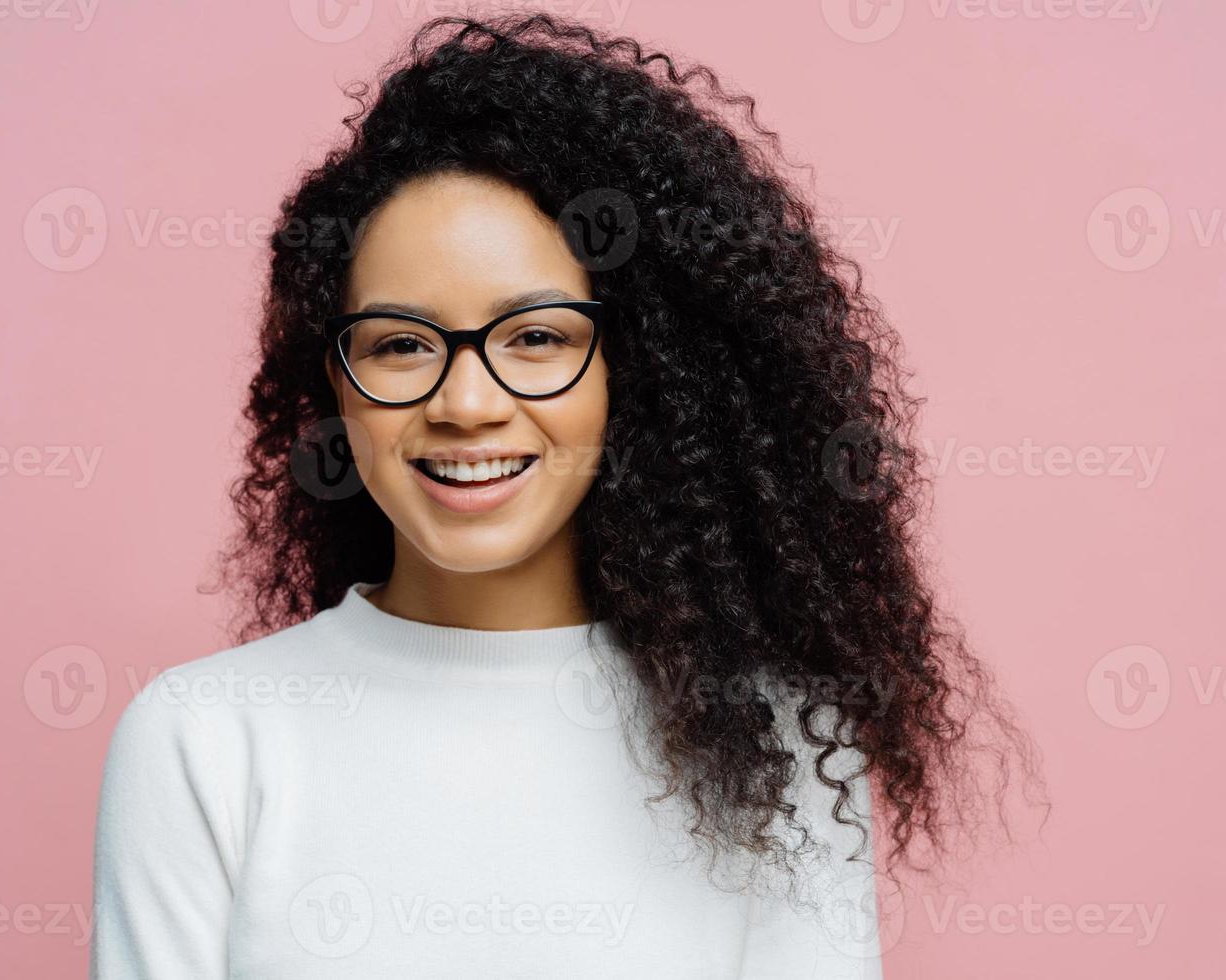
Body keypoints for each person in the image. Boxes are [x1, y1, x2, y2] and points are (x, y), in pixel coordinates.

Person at [89, 13, 1039, 978]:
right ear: (336, 385)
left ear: (638, 373)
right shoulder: (203, 745)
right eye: (400, 345)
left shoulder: (777, 746)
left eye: (536, 338)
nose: (465, 404)